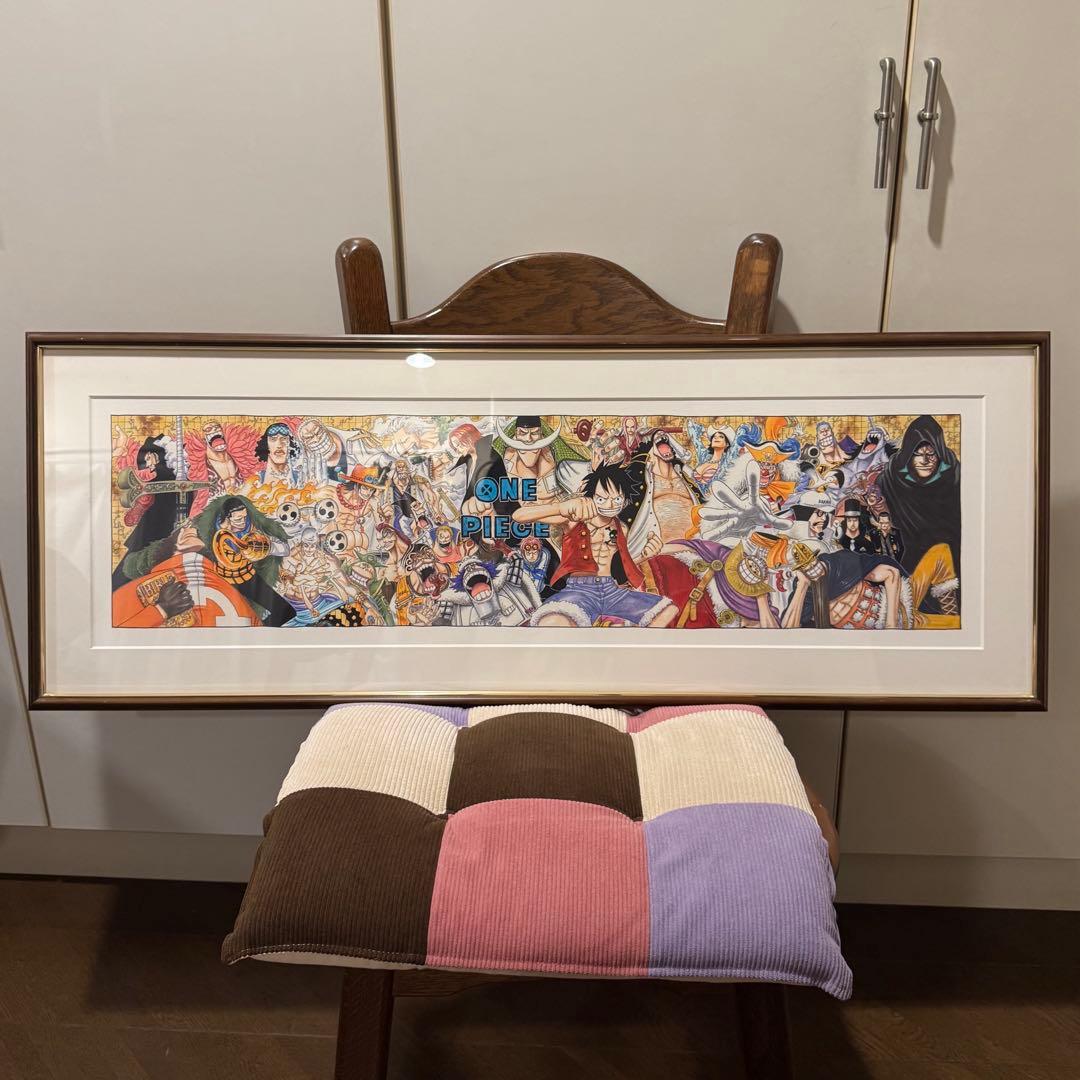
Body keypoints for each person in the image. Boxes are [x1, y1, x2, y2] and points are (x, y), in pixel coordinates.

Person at [512, 463, 675, 627]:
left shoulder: (621, 528)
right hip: (579, 591)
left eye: (617, 499)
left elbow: (622, 565)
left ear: (625, 500)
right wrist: (561, 507)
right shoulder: (573, 519)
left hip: (612, 591)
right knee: (551, 622)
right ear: (591, 498)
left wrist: (644, 556)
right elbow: (519, 516)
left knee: (669, 610)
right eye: (602, 499)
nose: (610, 505)